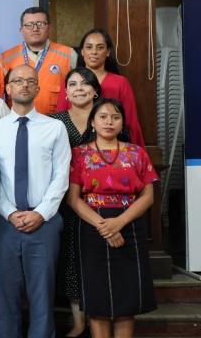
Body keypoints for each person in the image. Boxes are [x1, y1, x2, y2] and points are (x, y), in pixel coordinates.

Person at [0, 64, 71, 337]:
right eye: (17, 81)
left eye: (30, 81)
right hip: (6, 223)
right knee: (6, 293)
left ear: (38, 87)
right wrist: (9, 213)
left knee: (42, 294)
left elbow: (61, 176)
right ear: (7, 89)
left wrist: (41, 213)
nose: (24, 85)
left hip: (44, 222)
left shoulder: (54, 128)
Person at [67, 98, 158, 338]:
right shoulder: (79, 154)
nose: (110, 121)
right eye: (103, 117)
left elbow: (148, 196)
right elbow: (73, 199)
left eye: (116, 117)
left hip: (130, 225)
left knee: (126, 299)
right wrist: (105, 226)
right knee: (98, 302)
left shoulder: (137, 152)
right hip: (92, 227)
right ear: (93, 123)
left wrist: (119, 222)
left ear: (122, 123)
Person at [50, 67, 102, 338]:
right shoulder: (54, 122)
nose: (79, 88)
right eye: (72, 84)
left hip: (103, 202)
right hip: (65, 201)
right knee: (71, 260)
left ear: (96, 90)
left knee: (97, 261)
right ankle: (78, 321)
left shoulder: (107, 117)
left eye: (85, 83)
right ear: (66, 92)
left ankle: (99, 321)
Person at [57, 28, 145, 146]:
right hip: (71, 147)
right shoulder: (69, 82)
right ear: (82, 51)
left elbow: (131, 122)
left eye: (100, 47)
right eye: (89, 47)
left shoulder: (120, 83)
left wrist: (136, 155)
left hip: (112, 149)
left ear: (108, 51)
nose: (94, 52)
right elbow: (60, 118)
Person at [2, 6, 77, 115]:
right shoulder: (6, 58)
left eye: (40, 24)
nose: (35, 29)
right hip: (18, 123)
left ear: (49, 27)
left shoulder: (69, 54)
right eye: (29, 25)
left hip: (57, 122)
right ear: (21, 30)